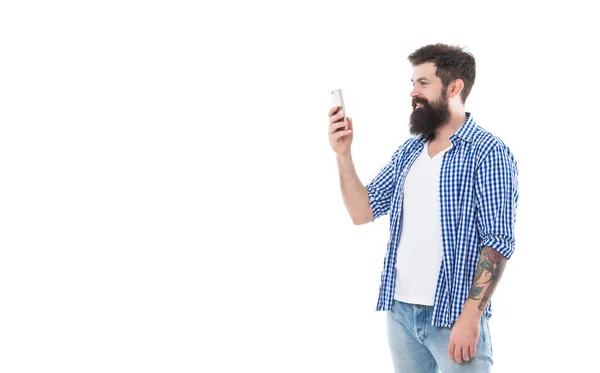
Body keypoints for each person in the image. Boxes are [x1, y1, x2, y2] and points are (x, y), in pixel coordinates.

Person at [327, 43, 518, 372]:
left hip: (454, 315)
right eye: (413, 83)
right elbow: (362, 211)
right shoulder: (409, 151)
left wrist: (471, 317)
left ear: (454, 87)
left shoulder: (488, 152)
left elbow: (497, 241)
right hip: (400, 312)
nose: (413, 92)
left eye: (423, 83)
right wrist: (343, 154)